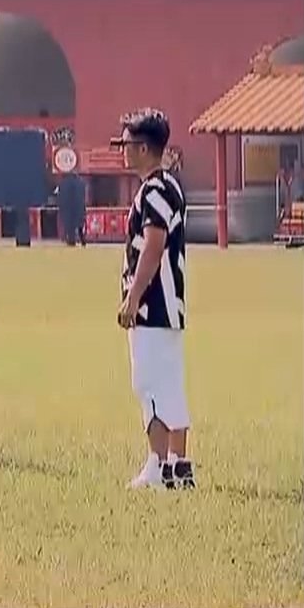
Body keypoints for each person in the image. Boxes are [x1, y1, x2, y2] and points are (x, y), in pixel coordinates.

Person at [113, 108, 195, 490]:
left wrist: (133, 296)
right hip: (167, 304)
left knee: (150, 383)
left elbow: (153, 244)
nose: (123, 150)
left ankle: (159, 465)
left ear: (144, 148)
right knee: (168, 383)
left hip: (154, 304)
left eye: (127, 144)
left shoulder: (155, 190)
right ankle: (177, 466)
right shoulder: (169, 185)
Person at [57, 169, 88, 247]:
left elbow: (61, 197)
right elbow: (83, 196)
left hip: (69, 208)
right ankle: (83, 241)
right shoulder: (81, 182)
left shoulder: (64, 183)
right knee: (80, 226)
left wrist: (61, 207)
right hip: (79, 207)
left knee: (70, 227)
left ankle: (71, 241)